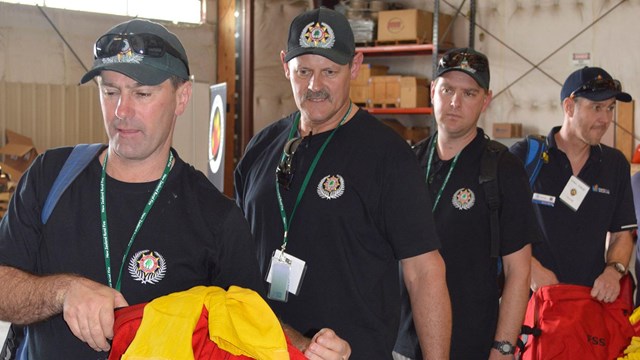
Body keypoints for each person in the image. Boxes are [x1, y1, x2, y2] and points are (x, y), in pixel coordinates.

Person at [0, 19, 265, 359]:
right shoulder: (50, 177)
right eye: (110, 92)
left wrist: (307, 346)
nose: (121, 112)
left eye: (141, 94)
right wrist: (63, 292)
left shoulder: (217, 218)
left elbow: (251, 331)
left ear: (182, 97)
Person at [234, 7, 452, 360]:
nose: (314, 86)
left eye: (329, 72)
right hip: (262, 347)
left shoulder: (388, 156)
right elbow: (237, 252)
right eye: (303, 71)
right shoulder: (261, 147)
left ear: (355, 66)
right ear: (284, 65)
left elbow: (424, 272)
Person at [394, 48, 538, 359]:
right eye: (447, 90)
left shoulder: (502, 169)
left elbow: (518, 270)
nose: (455, 103)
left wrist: (503, 347)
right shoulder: (407, 163)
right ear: (433, 92)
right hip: (403, 341)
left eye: (469, 93)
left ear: (486, 100)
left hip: (470, 342)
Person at [510, 67, 636, 302]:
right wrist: (530, 268)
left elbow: (621, 234)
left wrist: (613, 270)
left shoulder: (614, 164)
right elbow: (501, 224)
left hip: (588, 306)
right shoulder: (526, 157)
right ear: (569, 107)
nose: (606, 119)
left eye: (610, 108)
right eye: (596, 108)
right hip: (532, 305)